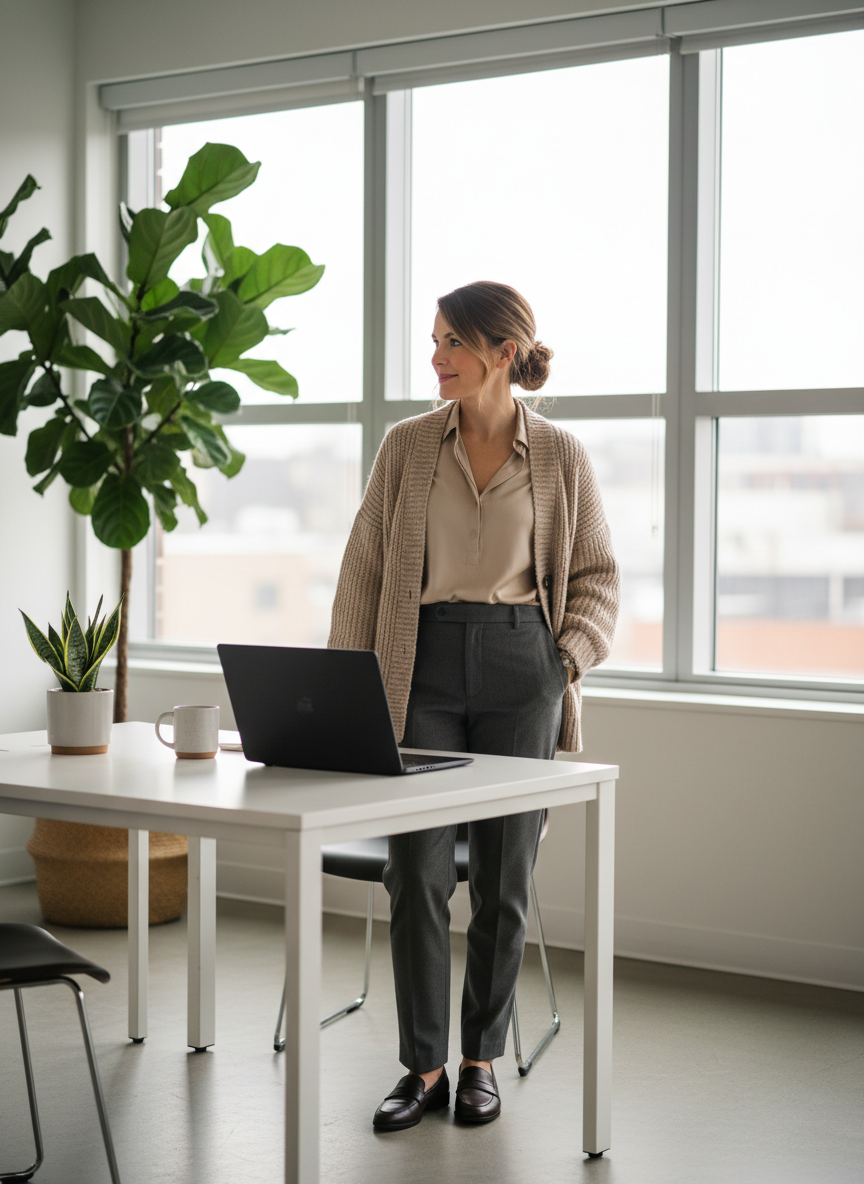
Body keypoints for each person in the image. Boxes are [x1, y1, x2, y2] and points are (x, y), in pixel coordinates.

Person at [329, 280, 620, 1131]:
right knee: (413, 871)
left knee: (504, 878)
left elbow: (598, 578)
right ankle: (420, 1067)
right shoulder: (406, 447)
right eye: (434, 340)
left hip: (522, 664)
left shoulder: (561, 457)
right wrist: (349, 691)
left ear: (501, 351)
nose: (436, 358)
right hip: (416, 666)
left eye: (452, 342)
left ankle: (479, 1060)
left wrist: (561, 662)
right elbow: (365, 571)